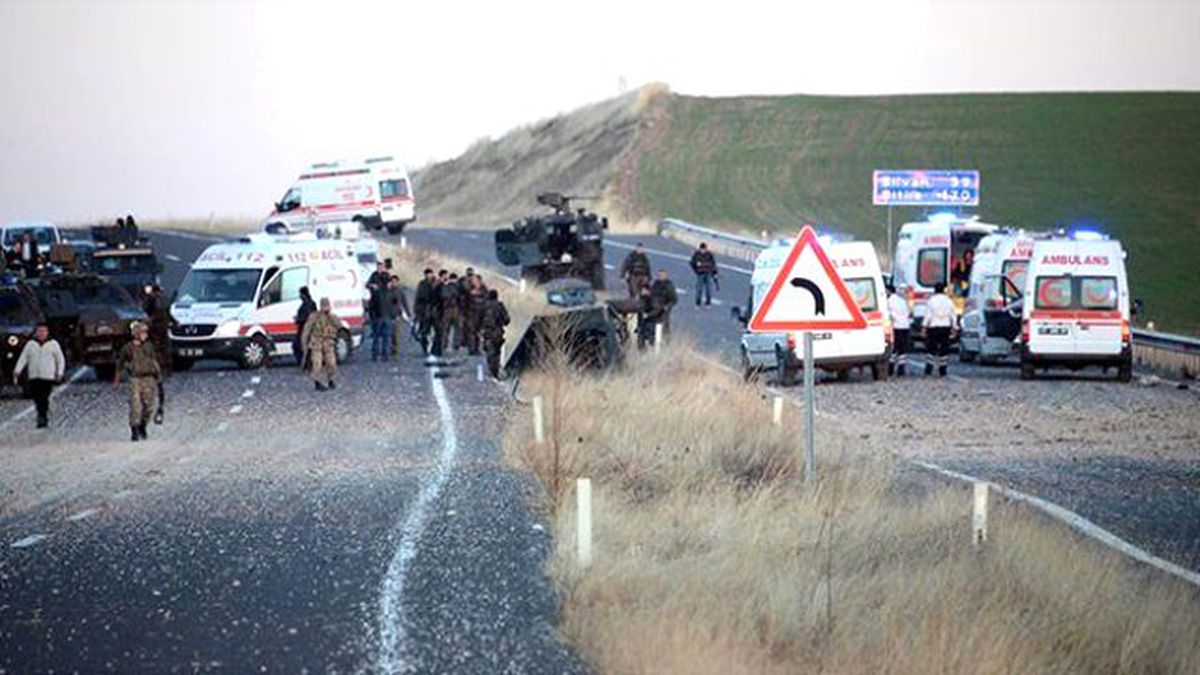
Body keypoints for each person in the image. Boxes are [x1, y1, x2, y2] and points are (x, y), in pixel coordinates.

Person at [115, 322, 162, 441]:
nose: (145, 335)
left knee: (149, 405)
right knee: (135, 405)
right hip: (135, 378)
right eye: (142, 332)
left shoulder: (149, 347)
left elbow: (153, 361)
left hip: (149, 378)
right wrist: (117, 379)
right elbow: (120, 364)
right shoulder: (127, 348)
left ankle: (143, 425)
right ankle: (134, 429)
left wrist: (158, 376)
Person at [13, 323, 65, 429]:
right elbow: (23, 358)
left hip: (48, 376)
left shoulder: (53, 344)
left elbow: (60, 359)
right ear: (36, 333)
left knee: (44, 396)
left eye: (43, 331)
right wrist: (17, 370)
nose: (41, 334)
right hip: (34, 376)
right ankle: (40, 414)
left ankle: (43, 416)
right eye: (39, 331)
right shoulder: (30, 344)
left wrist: (59, 372)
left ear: (47, 332)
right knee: (37, 397)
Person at [141, 284, 171, 423]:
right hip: (160, 330)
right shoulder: (162, 300)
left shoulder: (151, 300)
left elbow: (146, 313)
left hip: (157, 330)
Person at [301, 298, 343, 390]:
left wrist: (331, 317)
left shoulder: (333, 317)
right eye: (324, 306)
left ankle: (331, 379)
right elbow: (307, 329)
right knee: (317, 364)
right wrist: (304, 343)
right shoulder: (314, 316)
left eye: (327, 305)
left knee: (332, 363)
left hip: (328, 343)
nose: (325, 308)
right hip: (317, 343)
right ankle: (317, 382)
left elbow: (340, 326)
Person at [924, 282, 956, 377]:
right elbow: (952, 315)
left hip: (933, 326)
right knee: (944, 349)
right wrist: (954, 327)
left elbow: (928, 315)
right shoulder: (949, 301)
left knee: (931, 348)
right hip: (945, 326)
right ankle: (943, 370)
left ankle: (929, 369)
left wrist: (924, 326)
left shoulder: (931, 301)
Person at [479, 289, 510, 378]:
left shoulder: (484, 306)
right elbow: (507, 319)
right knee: (497, 350)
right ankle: (495, 369)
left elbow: (479, 318)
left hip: (487, 331)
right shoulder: (500, 306)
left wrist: (478, 329)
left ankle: (491, 368)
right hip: (498, 331)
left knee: (489, 350)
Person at [886, 282, 911, 376]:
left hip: (899, 327)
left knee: (897, 349)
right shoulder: (899, 301)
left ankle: (894, 368)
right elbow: (907, 313)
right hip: (902, 327)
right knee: (900, 349)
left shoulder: (892, 300)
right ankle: (898, 369)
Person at [435, 272, 462, 357]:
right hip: (449, 309)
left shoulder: (454, 287)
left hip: (452, 309)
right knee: (448, 328)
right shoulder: (447, 287)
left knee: (452, 328)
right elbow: (443, 296)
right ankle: (447, 345)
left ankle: (451, 345)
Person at [461, 274, 488, 356]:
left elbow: (487, 301)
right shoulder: (468, 290)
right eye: (473, 281)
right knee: (471, 332)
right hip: (471, 314)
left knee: (478, 333)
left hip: (481, 315)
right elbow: (464, 301)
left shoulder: (484, 290)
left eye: (475, 280)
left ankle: (477, 348)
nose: (474, 282)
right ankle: (472, 349)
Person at [413, 269, 438, 354]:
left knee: (438, 331)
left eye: (430, 274)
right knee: (424, 332)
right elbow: (418, 297)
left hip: (435, 310)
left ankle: (435, 349)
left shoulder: (436, 283)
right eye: (427, 274)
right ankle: (425, 349)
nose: (429, 276)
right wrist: (417, 310)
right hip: (424, 311)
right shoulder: (422, 284)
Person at [650, 269, 678, 338]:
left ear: (665, 275)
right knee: (653, 323)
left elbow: (674, 299)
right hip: (655, 306)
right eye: (659, 275)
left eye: (662, 275)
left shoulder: (669, 285)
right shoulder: (656, 284)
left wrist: (667, 306)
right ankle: (654, 339)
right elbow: (652, 294)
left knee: (664, 324)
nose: (660, 276)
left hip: (664, 307)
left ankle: (666, 340)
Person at [689, 242, 719, 306]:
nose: (702, 251)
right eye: (701, 249)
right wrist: (696, 270)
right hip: (700, 274)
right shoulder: (696, 254)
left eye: (704, 249)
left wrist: (715, 273)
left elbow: (713, 265)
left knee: (708, 289)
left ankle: (708, 302)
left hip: (708, 273)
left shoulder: (709, 255)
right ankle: (698, 301)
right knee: (699, 288)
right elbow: (692, 263)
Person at [293, 286, 317, 366]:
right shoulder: (310, 303)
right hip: (308, 328)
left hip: (305, 328)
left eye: (300, 294)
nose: (299, 296)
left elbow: (306, 317)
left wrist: (298, 319)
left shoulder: (307, 304)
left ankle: (304, 363)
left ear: (303, 294)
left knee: (298, 345)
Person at [635, 285, 662, 350]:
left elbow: (657, 310)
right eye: (641, 290)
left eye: (643, 290)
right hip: (642, 324)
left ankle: (652, 353)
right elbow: (639, 311)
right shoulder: (641, 299)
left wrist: (648, 315)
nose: (642, 292)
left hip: (651, 322)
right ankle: (642, 354)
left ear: (648, 291)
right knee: (640, 341)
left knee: (651, 340)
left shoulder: (653, 299)